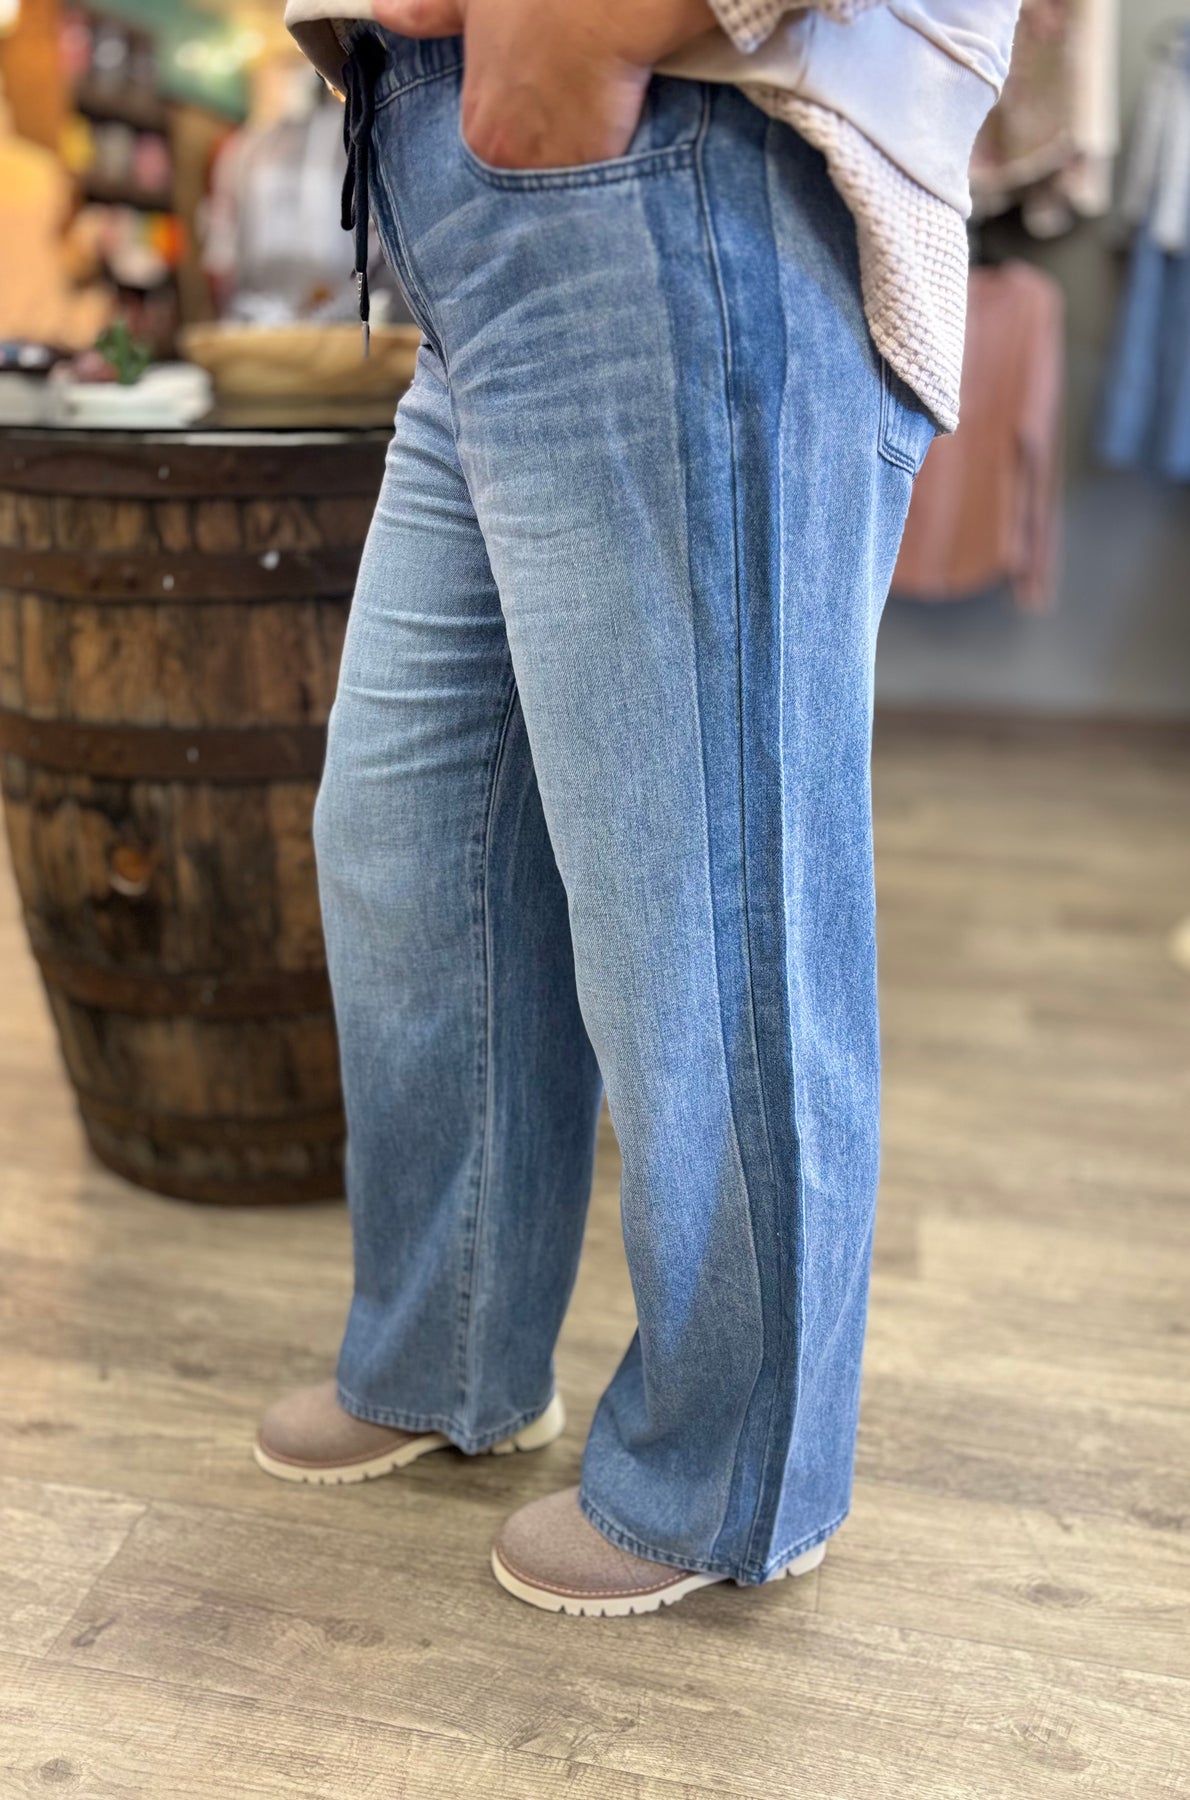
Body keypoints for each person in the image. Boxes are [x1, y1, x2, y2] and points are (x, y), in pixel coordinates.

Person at [255, 0, 1020, 1617]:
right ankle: (443, 1350)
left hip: (679, 160)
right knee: (409, 847)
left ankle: (728, 1477)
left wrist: (596, 26)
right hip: (478, 236)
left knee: (705, 911)